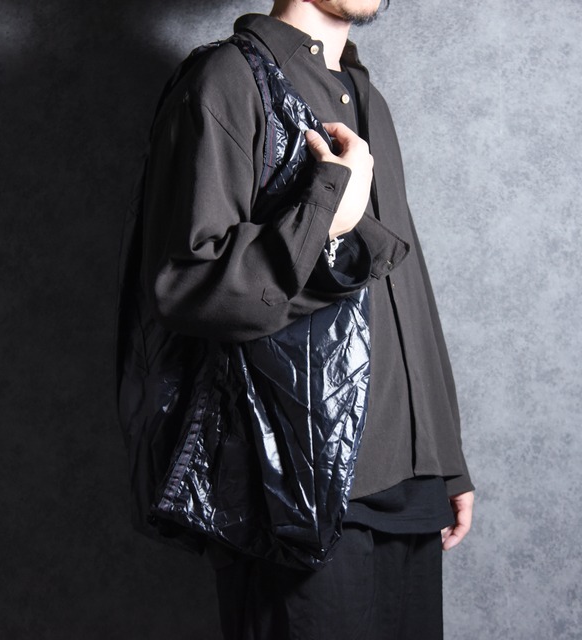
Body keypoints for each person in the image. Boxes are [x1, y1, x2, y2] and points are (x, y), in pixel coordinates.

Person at [136, 1, 474, 637]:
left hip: (410, 485)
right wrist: (325, 217)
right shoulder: (229, 78)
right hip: (297, 486)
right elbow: (188, 288)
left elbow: (406, 285)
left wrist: (444, 455)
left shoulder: (366, 95)